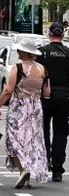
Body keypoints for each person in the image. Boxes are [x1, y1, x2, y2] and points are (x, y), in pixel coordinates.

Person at [0, 38, 51, 188]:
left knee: (14, 140)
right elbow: (46, 92)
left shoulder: (18, 68)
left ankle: (23, 169)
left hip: (18, 107)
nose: (18, 52)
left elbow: (8, 90)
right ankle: (27, 175)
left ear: (24, 52)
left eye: (20, 50)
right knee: (32, 140)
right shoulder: (42, 69)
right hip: (35, 107)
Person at [38, 22, 69, 182]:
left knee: (43, 131)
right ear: (62, 35)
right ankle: (57, 169)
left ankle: (44, 163)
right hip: (64, 97)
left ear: (49, 34)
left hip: (45, 96)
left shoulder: (42, 53)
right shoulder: (68, 52)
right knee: (61, 133)